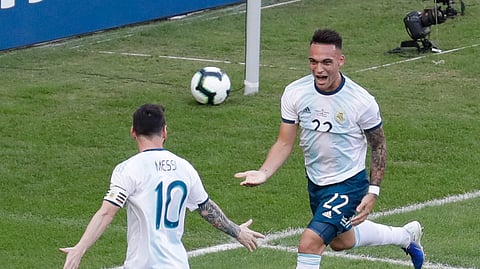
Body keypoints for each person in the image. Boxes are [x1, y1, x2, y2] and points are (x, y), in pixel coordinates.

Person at [234, 29, 425, 269]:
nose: (319, 69)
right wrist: (263, 172)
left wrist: (372, 191)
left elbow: (379, 145)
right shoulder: (295, 92)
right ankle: (405, 236)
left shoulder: (361, 101)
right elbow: (284, 142)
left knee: (309, 243)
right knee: (341, 241)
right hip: (316, 182)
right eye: (313, 62)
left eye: (326, 62)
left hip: (349, 183)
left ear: (340, 61)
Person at [60, 103, 265, 269]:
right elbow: (205, 208)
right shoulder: (185, 168)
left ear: (133, 132)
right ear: (165, 131)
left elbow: (107, 213)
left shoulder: (128, 169)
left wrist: (80, 249)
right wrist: (237, 231)